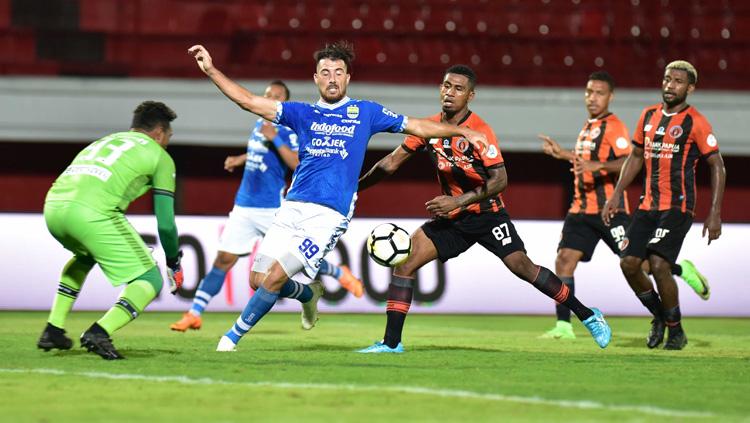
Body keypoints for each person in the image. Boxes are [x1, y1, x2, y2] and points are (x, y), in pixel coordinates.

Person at [188, 41, 490, 352]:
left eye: (338, 72)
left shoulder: (366, 112)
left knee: (275, 277)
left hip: (328, 214)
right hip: (291, 207)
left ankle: (231, 338)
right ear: (316, 78)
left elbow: (418, 127)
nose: (332, 78)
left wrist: (463, 132)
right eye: (325, 73)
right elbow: (249, 101)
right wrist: (211, 70)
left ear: (347, 78)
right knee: (258, 279)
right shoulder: (301, 113)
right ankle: (308, 294)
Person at [356, 65, 612, 354]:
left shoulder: (480, 132)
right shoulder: (428, 129)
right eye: (446, 86)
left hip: (487, 215)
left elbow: (501, 180)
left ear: (470, 96)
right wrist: (355, 189)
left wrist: (458, 201)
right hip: (453, 219)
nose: (450, 93)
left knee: (522, 267)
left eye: (458, 89)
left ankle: (589, 315)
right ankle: (391, 344)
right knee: (405, 263)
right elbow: (389, 163)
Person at [169, 80, 365, 333]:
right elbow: (260, 153)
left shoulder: (291, 129)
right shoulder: (260, 124)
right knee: (223, 260)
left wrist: (276, 140)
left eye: (276, 95)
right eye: (267, 94)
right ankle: (194, 313)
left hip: (273, 209)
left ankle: (336, 273)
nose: (270, 97)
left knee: (290, 260)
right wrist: (241, 158)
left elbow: (297, 163)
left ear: (283, 101)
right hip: (243, 206)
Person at [538, 72, 710, 340]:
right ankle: (564, 326)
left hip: (610, 212)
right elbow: (588, 162)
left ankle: (680, 269)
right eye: (589, 92)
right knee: (564, 261)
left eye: (599, 93)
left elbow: (628, 160)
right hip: (581, 211)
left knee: (639, 266)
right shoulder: (588, 126)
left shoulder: (614, 126)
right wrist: (564, 155)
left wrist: (601, 167)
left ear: (610, 96)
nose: (592, 98)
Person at [37, 101, 184, 360]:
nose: (167, 142)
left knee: (85, 256)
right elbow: (165, 223)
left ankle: (53, 328)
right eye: (169, 137)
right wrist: (174, 260)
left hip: (53, 207)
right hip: (91, 213)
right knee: (150, 279)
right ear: (160, 132)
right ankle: (99, 332)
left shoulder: (104, 141)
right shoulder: (160, 156)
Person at [602, 60, 726, 350]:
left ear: (690, 88)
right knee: (629, 264)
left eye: (678, 81)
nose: (670, 85)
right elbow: (634, 157)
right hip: (647, 206)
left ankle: (677, 331)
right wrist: (617, 192)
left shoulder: (695, 122)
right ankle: (660, 316)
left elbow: (717, 165)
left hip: (678, 207)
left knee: (658, 264)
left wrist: (716, 211)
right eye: (668, 79)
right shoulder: (647, 116)